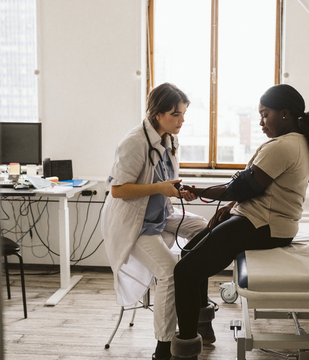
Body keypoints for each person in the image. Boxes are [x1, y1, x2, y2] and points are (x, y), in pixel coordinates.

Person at [169, 84, 309, 360]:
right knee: (189, 253)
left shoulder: (283, 146)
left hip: (265, 225)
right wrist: (232, 205)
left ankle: (186, 348)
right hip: (262, 220)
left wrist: (198, 191)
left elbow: (243, 187)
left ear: (284, 114)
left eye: (264, 114)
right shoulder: (297, 141)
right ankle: (203, 327)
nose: (260, 122)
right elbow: (253, 187)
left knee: (184, 272)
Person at [101, 83, 208, 360]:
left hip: (161, 214)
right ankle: (163, 347)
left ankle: (199, 313)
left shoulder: (169, 138)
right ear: (157, 114)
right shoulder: (134, 142)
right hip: (134, 225)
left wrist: (176, 189)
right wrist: (161, 188)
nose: (182, 120)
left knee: (204, 230)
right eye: (176, 114)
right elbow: (118, 190)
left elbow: (164, 180)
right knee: (170, 272)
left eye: (183, 114)